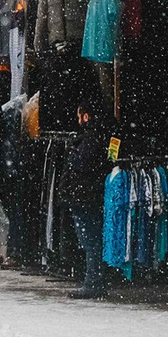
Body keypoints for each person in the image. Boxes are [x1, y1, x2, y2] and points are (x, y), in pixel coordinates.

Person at [57, 99, 113, 299]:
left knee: (91, 241)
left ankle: (93, 282)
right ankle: (94, 279)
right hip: (88, 196)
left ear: (85, 116)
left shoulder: (90, 139)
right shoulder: (101, 137)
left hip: (84, 198)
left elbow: (81, 167)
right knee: (92, 240)